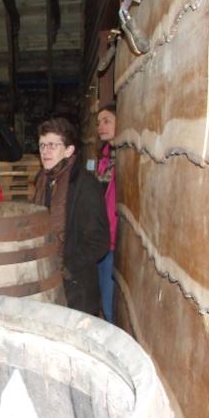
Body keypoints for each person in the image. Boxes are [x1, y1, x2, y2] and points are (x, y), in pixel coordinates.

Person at [33, 117, 109, 316]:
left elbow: (99, 241)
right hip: (47, 280)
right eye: (42, 145)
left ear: (68, 150)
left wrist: (66, 266)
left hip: (76, 287)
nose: (45, 151)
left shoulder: (85, 185)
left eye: (52, 145)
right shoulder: (43, 181)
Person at [96, 104, 117, 322]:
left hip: (115, 238)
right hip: (102, 236)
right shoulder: (103, 157)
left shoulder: (124, 158)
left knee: (110, 302)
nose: (100, 126)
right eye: (99, 122)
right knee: (103, 295)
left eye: (107, 121)